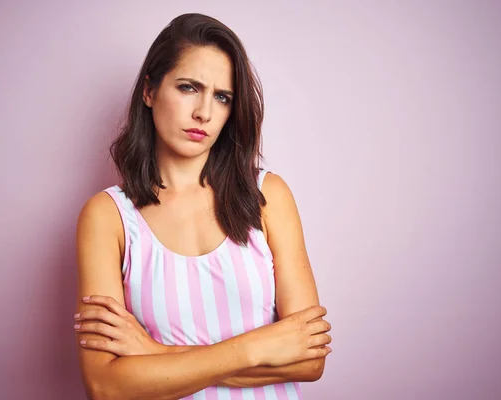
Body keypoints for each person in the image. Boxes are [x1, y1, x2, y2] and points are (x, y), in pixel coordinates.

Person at [74, 12, 332, 400]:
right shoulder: (107, 217)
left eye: (222, 97)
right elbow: (106, 385)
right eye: (188, 87)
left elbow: (310, 360)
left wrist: (155, 354)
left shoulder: (268, 196)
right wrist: (257, 347)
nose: (204, 113)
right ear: (149, 91)